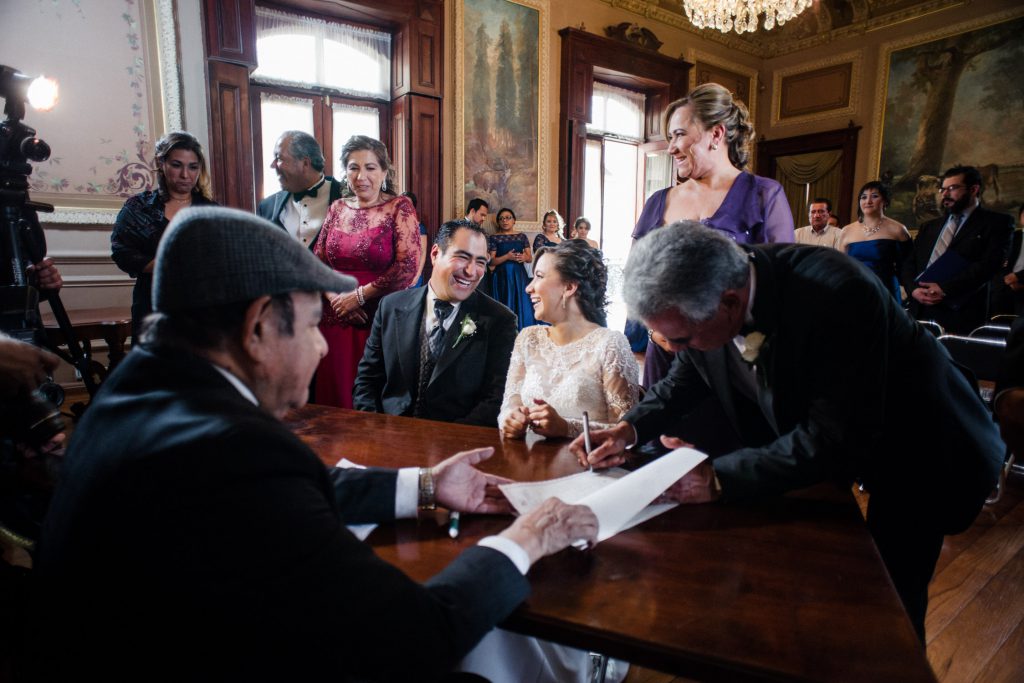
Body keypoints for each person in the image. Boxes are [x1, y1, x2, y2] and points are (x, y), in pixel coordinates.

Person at [33, 206, 598, 681]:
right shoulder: (240, 450)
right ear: (257, 327)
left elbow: (291, 489)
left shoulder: (133, 391)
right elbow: (416, 633)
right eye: (309, 326)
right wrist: (526, 539)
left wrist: (425, 484)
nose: (324, 350)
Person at [571, 223, 1003, 642]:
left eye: (681, 338)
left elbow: (834, 437)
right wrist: (628, 429)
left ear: (729, 302)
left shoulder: (838, 294)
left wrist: (717, 477)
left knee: (889, 603)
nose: (674, 350)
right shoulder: (710, 294)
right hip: (836, 443)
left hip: (920, 449)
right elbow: (687, 376)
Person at [629, 83, 793, 389]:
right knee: (662, 431)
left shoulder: (763, 195)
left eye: (679, 134)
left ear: (716, 135)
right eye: (669, 137)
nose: (671, 147)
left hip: (732, 361)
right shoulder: (658, 202)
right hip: (665, 355)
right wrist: (654, 332)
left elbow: (781, 286)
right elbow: (635, 279)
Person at [354, 220, 517, 426]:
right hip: (390, 435)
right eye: (462, 257)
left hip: (459, 443)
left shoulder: (500, 320)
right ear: (434, 254)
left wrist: (447, 441)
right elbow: (367, 380)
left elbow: (496, 398)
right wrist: (375, 429)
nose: (471, 271)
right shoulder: (391, 307)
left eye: (480, 262)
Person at [313, 135, 421, 408]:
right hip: (333, 317)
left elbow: (406, 268)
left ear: (384, 171)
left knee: (369, 394)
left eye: (370, 167)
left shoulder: (399, 207)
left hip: (376, 316)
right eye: (353, 167)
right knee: (332, 394)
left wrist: (359, 297)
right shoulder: (337, 208)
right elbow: (317, 263)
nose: (361, 176)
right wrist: (337, 300)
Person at [499, 240, 639, 440]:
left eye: (539, 277)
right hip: (526, 461)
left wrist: (567, 428)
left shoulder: (610, 344)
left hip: (587, 464)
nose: (529, 288)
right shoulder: (528, 338)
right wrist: (510, 419)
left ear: (569, 287)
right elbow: (509, 403)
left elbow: (626, 433)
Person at [111, 131, 216, 339]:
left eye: (193, 167)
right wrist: (166, 266)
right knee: (154, 369)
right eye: (177, 165)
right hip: (151, 304)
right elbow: (121, 251)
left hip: (200, 308)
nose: (185, 175)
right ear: (161, 163)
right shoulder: (139, 207)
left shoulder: (212, 211)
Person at [901, 165, 1014, 334]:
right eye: (943, 189)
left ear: (974, 189)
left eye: (952, 188)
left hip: (962, 312)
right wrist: (913, 290)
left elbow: (990, 264)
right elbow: (909, 263)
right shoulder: (929, 227)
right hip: (920, 309)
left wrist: (945, 288)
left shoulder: (997, 223)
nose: (945, 194)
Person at [257, 130, 344, 250]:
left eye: (279, 158)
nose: (273, 165)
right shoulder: (266, 207)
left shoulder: (348, 198)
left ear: (305, 163)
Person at [838, 181, 911, 304]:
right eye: (864, 197)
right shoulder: (847, 231)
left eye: (875, 196)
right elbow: (841, 266)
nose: (868, 201)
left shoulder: (898, 229)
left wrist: (906, 288)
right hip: (854, 289)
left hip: (886, 289)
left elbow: (908, 265)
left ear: (885, 201)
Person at [488, 207, 535, 331]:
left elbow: (529, 258)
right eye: (501, 218)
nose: (505, 221)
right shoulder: (494, 238)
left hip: (519, 276)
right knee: (504, 304)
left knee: (521, 304)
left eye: (508, 217)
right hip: (501, 276)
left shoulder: (522, 236)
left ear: (514, 220)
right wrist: (507, 257)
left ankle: (521, 332)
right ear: (498, 222)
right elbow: (491, 261)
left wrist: (524, 257)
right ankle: (505, 334)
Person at [992, 204, 1024, 317]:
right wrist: (1007, 279)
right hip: (1006, 286)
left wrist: (1018, 277)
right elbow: (998, 261)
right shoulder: (1012, 237)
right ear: (1020, 218)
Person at [465, 198, 493, 296]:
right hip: (465, 274)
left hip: (482, 276)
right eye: (482, 215)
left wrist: (487, 256)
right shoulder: (457, 228)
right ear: (473, 211)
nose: (484, 219)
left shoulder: (483, 232)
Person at [403, 191, 429, 287]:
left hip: (413, 274)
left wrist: (417, 275)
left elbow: (423, 252)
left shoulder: (419, 227)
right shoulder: (393, 225)